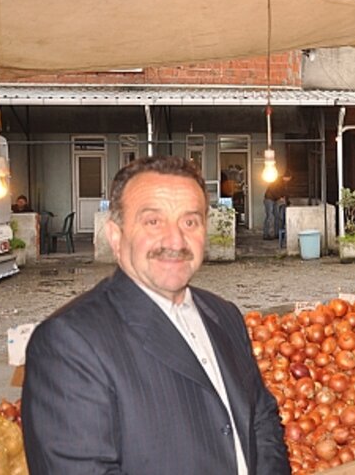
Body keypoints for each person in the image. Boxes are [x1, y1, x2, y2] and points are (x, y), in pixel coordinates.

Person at [21, 156, 288, 474]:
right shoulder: (68, 342)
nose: (175, 241)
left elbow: (262, 422)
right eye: (153, 221)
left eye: (190, 222)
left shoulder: (224, 315)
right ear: (116, 236)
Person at [263, 174, 288, 240]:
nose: (288, 180)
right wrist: (280, 197)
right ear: (286, 177)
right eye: (288, 178)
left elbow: (282, 192)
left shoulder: (282, 182)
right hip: (269, 198)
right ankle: (267, 234)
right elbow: (273, 191)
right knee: (270, 216)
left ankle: (277, 234)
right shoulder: (277, 181)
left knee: (277, 216)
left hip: (275, 199)